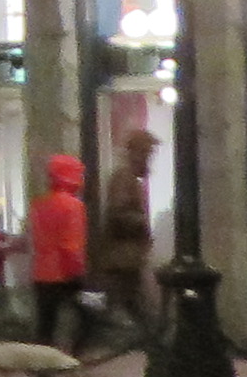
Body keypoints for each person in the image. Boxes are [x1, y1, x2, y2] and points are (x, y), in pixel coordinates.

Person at [99, 127, 161, 330]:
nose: (149, 160)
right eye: (147, 153)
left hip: (128, 257)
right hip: (123, 258)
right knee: (134, 306)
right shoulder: (123, 178)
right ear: (137, 153)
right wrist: (141, 223)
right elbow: (118, 213)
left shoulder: (129, 179)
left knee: (132, 305)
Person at [31, 152, 94, 353]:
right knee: (92, 310)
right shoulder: (74, 206)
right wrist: (79, 273)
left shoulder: (39, 205)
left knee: (46, 326)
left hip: (41, 274)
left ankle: (43, 366)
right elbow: (70, 246)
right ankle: (75, 356)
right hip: (67, 275)